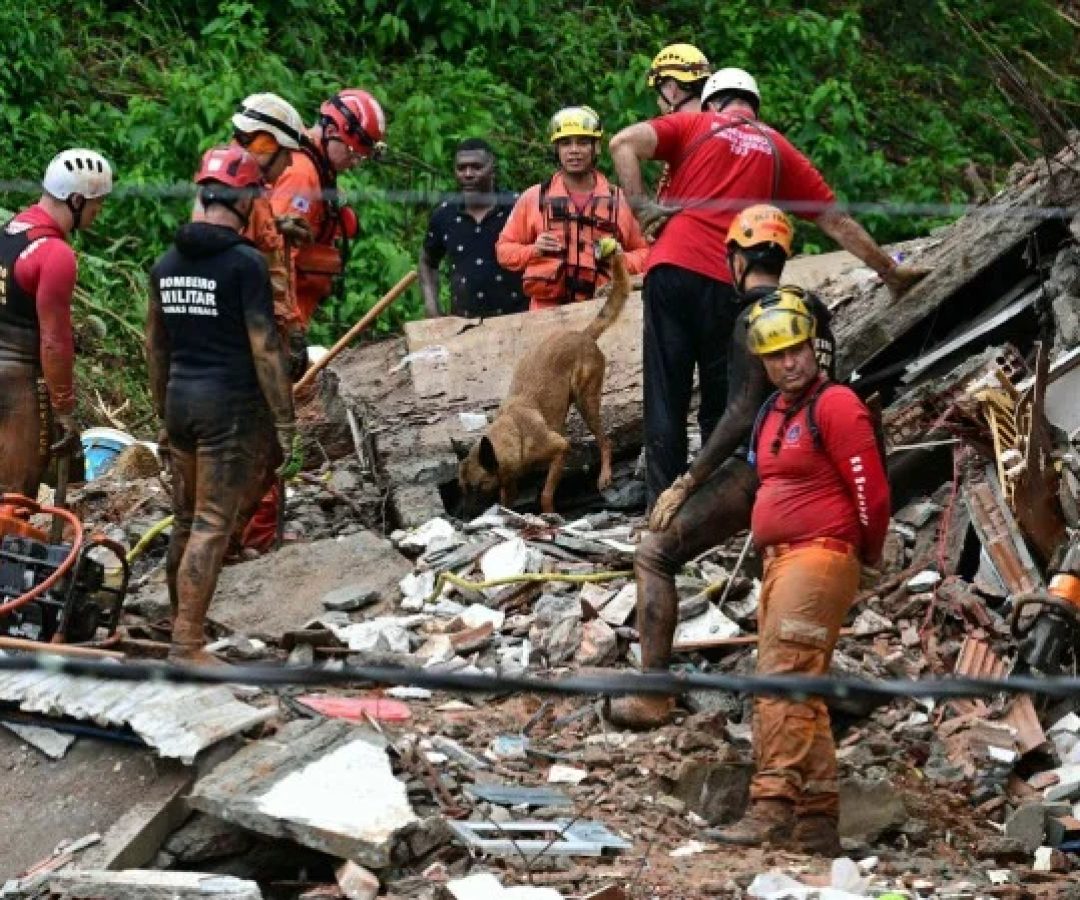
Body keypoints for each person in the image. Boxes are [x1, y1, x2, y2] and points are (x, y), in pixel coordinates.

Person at [609, 67, 928, 506]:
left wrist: (641, 206)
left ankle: (658, 509)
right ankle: (706, 507)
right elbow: (836, 221)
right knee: (721, 400)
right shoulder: (779, 148)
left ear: (712, 102)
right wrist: (890, 273)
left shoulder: (694, 124)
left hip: (672, 268)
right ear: (753, 105)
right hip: (729, 278)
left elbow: (621, 143)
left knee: (666, 392)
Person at [609, 205, 835, 730]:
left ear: (735, 257)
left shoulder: (752, 319)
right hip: (818, 458)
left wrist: (689, 480)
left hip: (766, 464)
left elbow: (739, 414)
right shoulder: (813, 306)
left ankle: (654, 695)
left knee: (655, 554)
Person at [710, 288, 890, 856]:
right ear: (762, 361)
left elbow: (872, 491)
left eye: (798, 349)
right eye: (777, 355)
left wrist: (868, 552)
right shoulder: (771, 413)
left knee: (780, 681)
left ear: (816, 347)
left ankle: (770, 807)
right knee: (803, 689)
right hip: (783, 561)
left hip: (818, 556)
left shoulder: (834, 404)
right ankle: (816, 821)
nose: (790, 362)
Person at [146, 145, 295, 663]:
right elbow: (265, 346)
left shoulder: (165, 264)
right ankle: (187, 643)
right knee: (212, 523)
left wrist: (162, 411)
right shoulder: (245, 264)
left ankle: (177, 624)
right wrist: (285, 418)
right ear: (246, 199)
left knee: (185, 521)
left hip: (180, 402)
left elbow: (156, 346)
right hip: (226, 411)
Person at [0, 149, 112, 497]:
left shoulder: (9, 233)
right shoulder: (54, 254)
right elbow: (54, 341)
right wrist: (64, 408)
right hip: (19, 383)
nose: (99, 211)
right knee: (15, 495)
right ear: (76, 200)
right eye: (97, 203)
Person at [497, 106, 649, 309]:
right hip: (547, 314)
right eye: (565, 143)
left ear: (596, 148)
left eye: (583, 142)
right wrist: (534, 250)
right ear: (557, 150)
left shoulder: (621, 200)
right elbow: (504, 251)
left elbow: (648, 253)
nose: (574, 150)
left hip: (603, 309)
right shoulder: (534, 198)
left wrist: (621, 258)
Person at [271, 89, 387, 328]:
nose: (355, 163)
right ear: (331, 131)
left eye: (362, 158)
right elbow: (277, 257)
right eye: (353, 153)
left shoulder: (320, 168)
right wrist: (285, 324)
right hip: (279, 318)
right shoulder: (302, 176)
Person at [231, 92, 309, 378]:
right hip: (247, 344)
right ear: (266, 145)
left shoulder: (241, 192)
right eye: (287, 153)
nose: (289, 164)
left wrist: (277, 225)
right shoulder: (245, 200)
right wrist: (287, 331)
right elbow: (257, 274)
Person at [420, 138, 526, 318]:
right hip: (464, 327)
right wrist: (432, 308)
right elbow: (427, 262)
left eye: (476, 167)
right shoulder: (444, 215)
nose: (468, 174)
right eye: (461, 168)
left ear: (492, 168)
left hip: (519, 321)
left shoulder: (519, 207)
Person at [646, 42, 711, 115]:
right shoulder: (721, 116)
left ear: (672, 88)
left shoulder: (676, 125)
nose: (658, 101)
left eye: (660, 92)